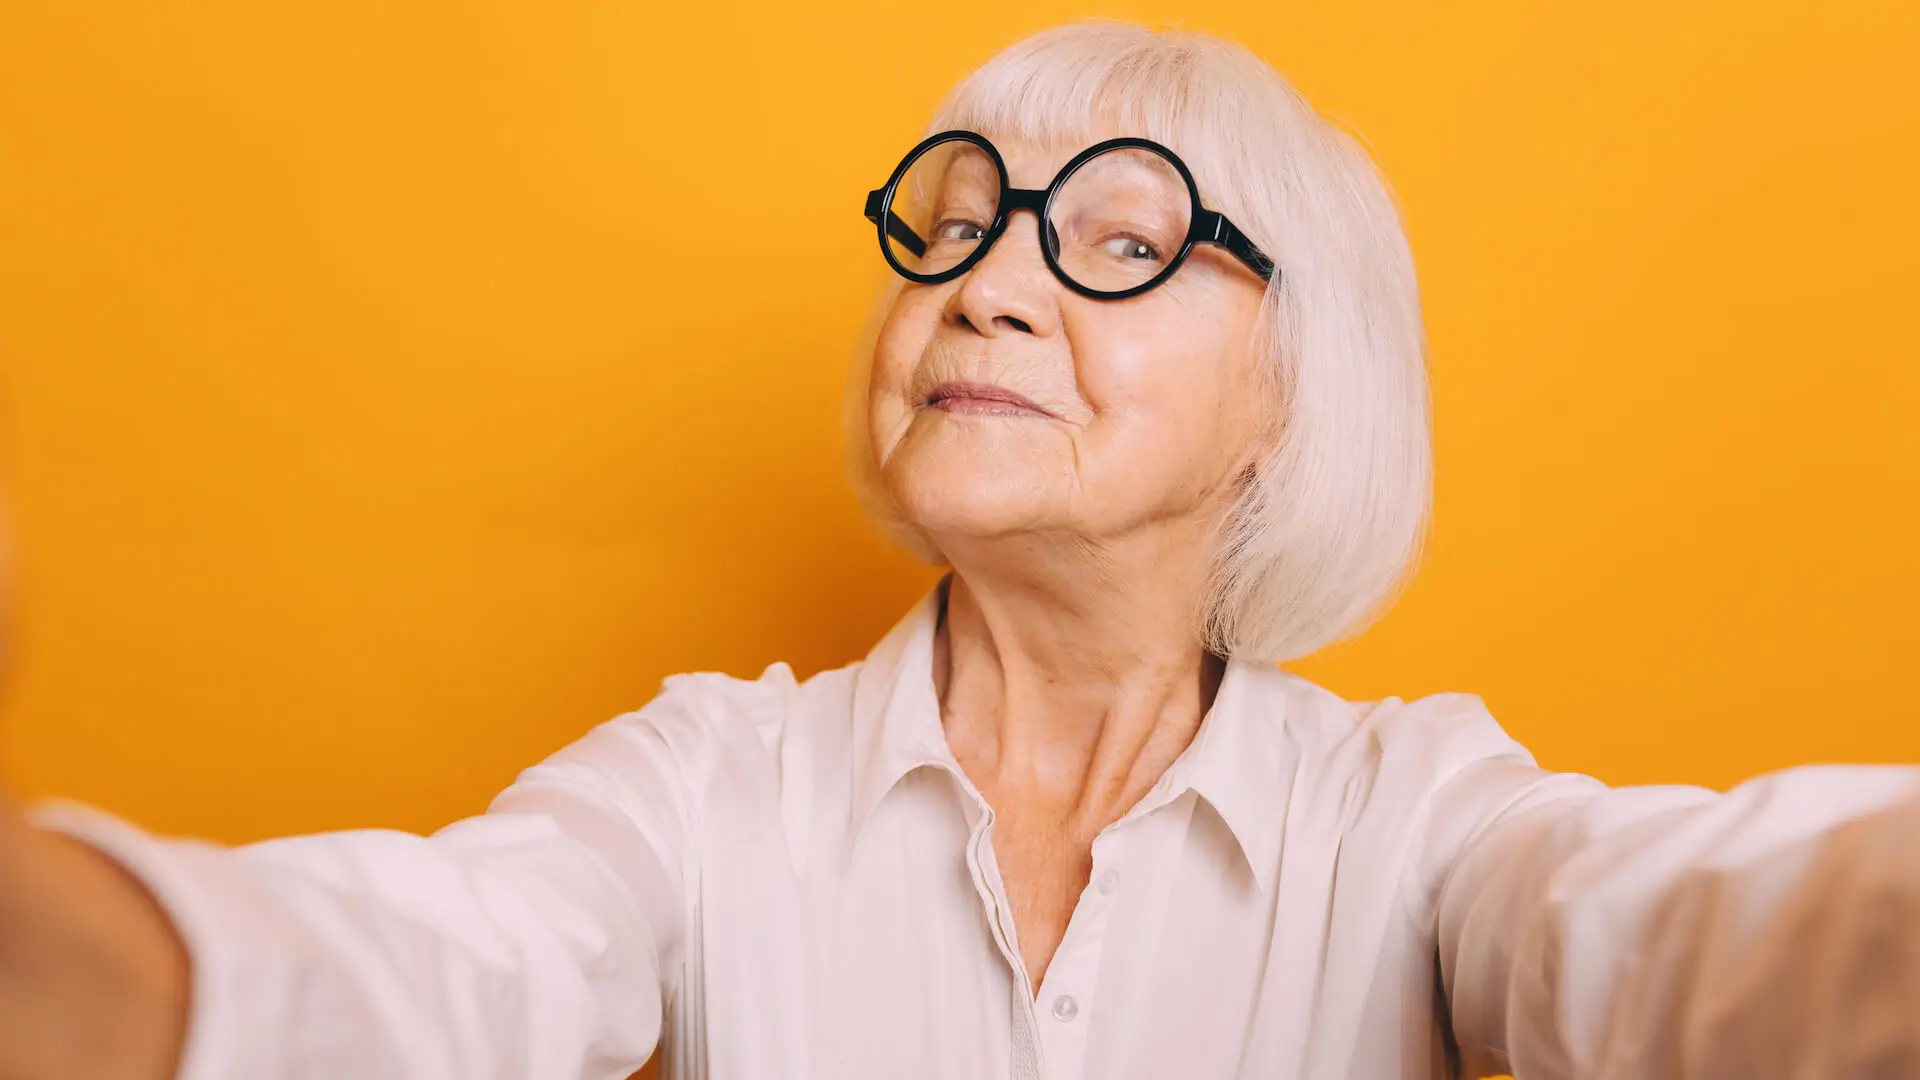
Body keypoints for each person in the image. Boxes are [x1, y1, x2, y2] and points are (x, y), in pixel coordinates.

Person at [2, 20, 1917, 1080]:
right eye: (956, 214)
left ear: (1295, 398)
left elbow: (1705, 938)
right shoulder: (700, 787)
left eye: (1121, 235)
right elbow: (434, 965)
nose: (988, 281)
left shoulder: (1417, 826)